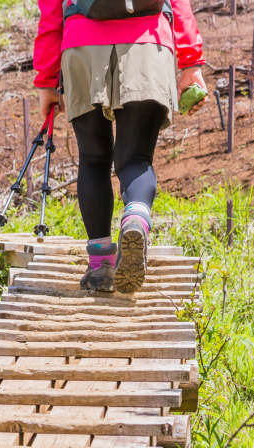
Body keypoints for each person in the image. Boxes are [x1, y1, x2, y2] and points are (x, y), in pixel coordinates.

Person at [34, 0, 207, 293]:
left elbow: (51, 13)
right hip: (148, 44)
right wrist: (191, 62)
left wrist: (46, 81)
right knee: (136, 158)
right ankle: (136, 218)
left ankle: (100, 265)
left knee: (93, 157)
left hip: (82, 45)